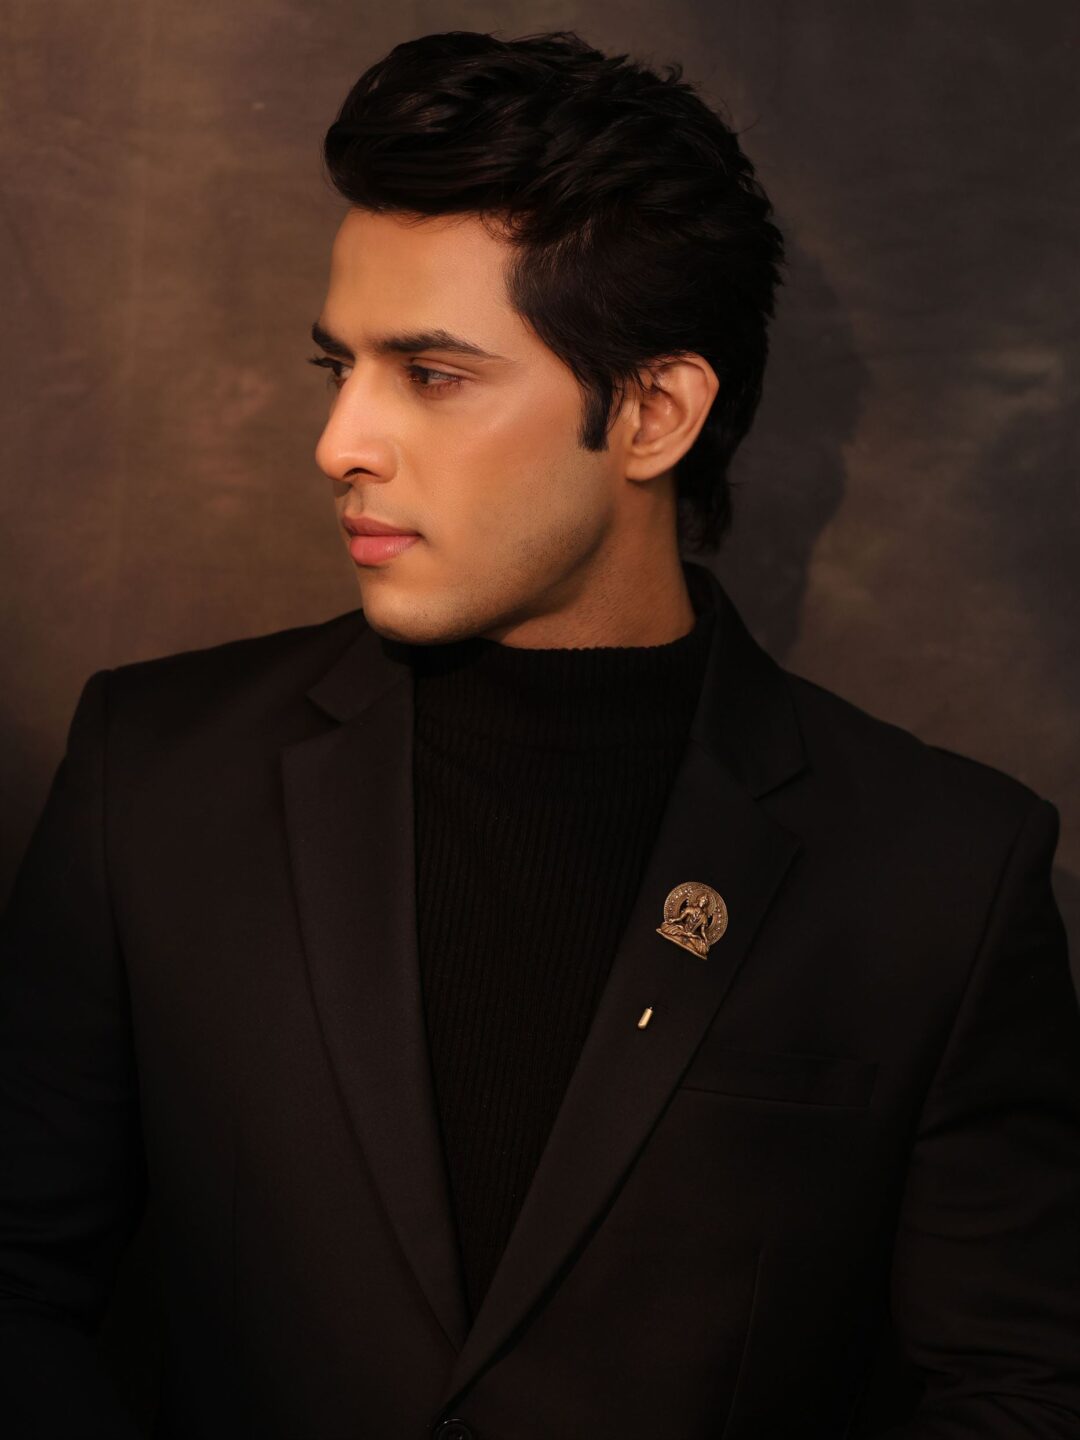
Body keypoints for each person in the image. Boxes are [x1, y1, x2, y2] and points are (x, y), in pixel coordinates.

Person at [2, 27, 1079, 1440]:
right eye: (340, 366)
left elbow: (1019, 1387)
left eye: (431, 374)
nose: (340, 442)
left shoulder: (942, 870)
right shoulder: (154, 775)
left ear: (652, 414)